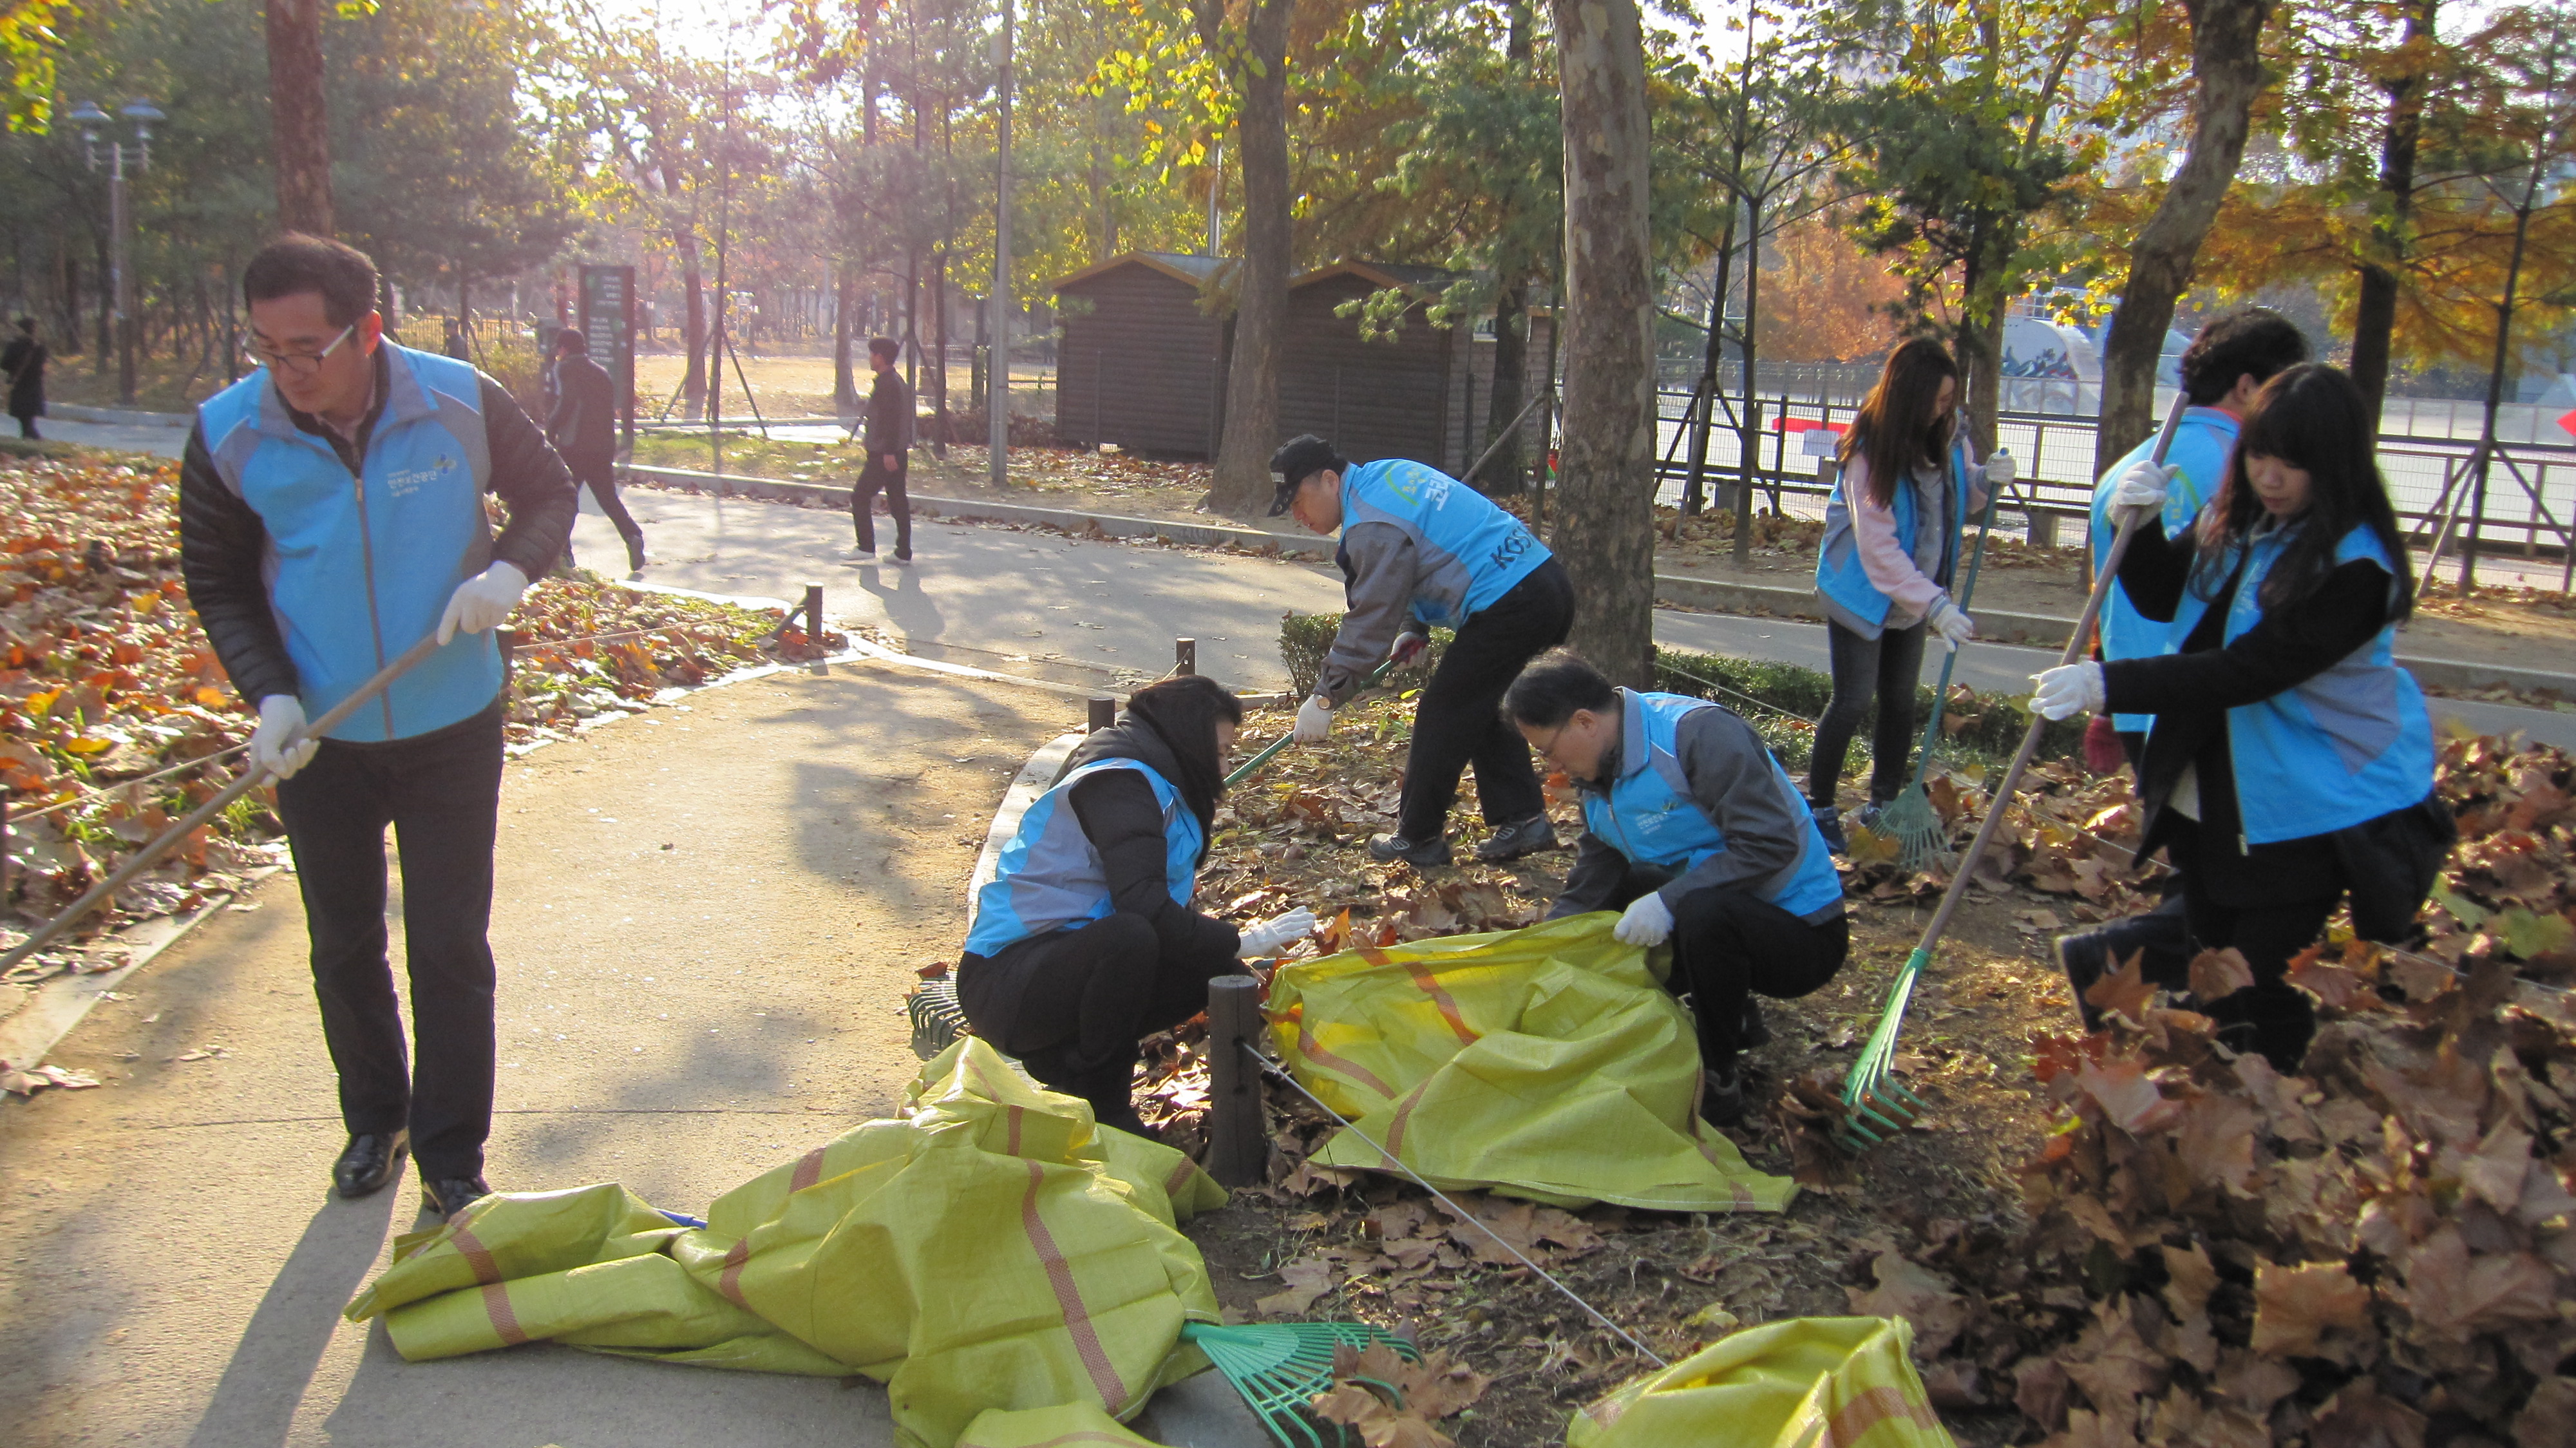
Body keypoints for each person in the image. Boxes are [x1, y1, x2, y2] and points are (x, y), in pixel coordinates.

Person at [178, 234, 577, 1221]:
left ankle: (451, 1153)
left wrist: (508, 573)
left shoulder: (457, 400)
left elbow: (550, 494)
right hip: (322, 739)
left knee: (448, 944)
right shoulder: (229, 434)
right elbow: (217, 580)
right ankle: (376, 1118)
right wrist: (268, 692)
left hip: (451, 721)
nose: (288, 371)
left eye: (308, 347)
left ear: (368, 330)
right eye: (268, 348)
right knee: (343, 940)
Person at [2031, 364, 2449, 1069]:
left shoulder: (2356, 568)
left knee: (2253, 980)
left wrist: (2107, 684)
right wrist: (2136, 527)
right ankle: (2217, 1094)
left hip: (2310, 802)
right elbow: (2166, 597)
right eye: (2259, 454)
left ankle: (2261, 1112)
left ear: (2335, 462)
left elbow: (2248, 670)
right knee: (2208, 963)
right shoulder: (2235, 523)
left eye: (2295, 462)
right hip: (2216, 788)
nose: (2272, 476)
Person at [2054, 308, 2310, 1012]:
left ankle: (2168, 1000)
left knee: (2203, 874)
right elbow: (2166, 599)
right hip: (2193, 706)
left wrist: (2108, 688)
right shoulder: (2227, 468)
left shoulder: (2136, 460)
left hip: (2143, 696)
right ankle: (2120, 973)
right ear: (2251, 384)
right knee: (2219, 883)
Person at [956, 674, 1314, 1135]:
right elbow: (1142, 904)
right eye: (1221, 751)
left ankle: (1070, 1069)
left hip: (1064, 964)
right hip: (1005, 981)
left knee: (1215, 975)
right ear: (1187, 737)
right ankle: (1103, 1104)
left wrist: (1226, 953)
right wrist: (1241, 939)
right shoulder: (1120, 781)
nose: (1225, 767)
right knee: (1132, 939)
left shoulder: (1157, 779)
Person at [1506, 650, 1848, 1126]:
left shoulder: (1698, 736)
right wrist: (1541, 950)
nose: (1550, 766)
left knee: (1701, 911)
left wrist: (1670, 900)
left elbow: (1768, 844)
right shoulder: (1599, 771)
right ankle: (1731, 1011)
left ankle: (1717, 1072)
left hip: (1802, 932)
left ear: (1584, 722)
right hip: (1725, 909)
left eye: (1547, 750)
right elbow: (1597, 869)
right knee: (1633, 887)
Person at [1273, 434, 1573, 866]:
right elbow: (1426, 550)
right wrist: (1414, 628)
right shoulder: (1385, 476)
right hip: (1543, 581)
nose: (1298, 515)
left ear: (1328, 480)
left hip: (1512, 598)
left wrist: (1325, 695)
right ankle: (1523, 819)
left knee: (1443, 711)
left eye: (1299, 500)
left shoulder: (1371, 524)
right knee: (1479, 704)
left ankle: (1417, 837)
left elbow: (1371, 615)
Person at [1808, 338, 2013, 850]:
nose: (1948, 410)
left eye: (1951, 400)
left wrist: (1987, 481)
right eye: (1940, 400)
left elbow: (1959, 494)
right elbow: (1877, 550)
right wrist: (1937, 606)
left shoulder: (1948, 438)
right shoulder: (1867, 453)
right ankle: (1820, 807)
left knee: (1900, 701)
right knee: (1853, 699)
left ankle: (1884, 803)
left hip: (1918, 593)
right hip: (1862, 593)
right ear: (1911, 395)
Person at [547, 327, 647, 576]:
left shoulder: (566, 368)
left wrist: (551, 429)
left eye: (559, 348)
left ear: (565, 349)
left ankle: (564, 553)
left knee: (566, 498)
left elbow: (567, 402)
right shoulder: (602, 373)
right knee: (607, 498)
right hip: (602, 446)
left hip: (575, 446)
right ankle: (632, 535)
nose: (557, 353)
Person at [850, 336, 913, 564]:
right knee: (897, 500)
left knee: (860, 496)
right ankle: (903, 552)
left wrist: (887, 451)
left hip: (884, 454)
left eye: (872, 354)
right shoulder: (893, 381)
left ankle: (866, 547)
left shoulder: (888, 384)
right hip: (896, 451)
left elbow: (891, 420)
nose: (870, 358)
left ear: (880, 357)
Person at [3, 317, 47, 440]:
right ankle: (29, 434)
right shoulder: (39, 346)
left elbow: (5, 364)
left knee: (22, 411)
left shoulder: (14, 345)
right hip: (35, 382)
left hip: (19, 382)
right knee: (31, 411)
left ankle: (31, 434)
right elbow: (42, 364)